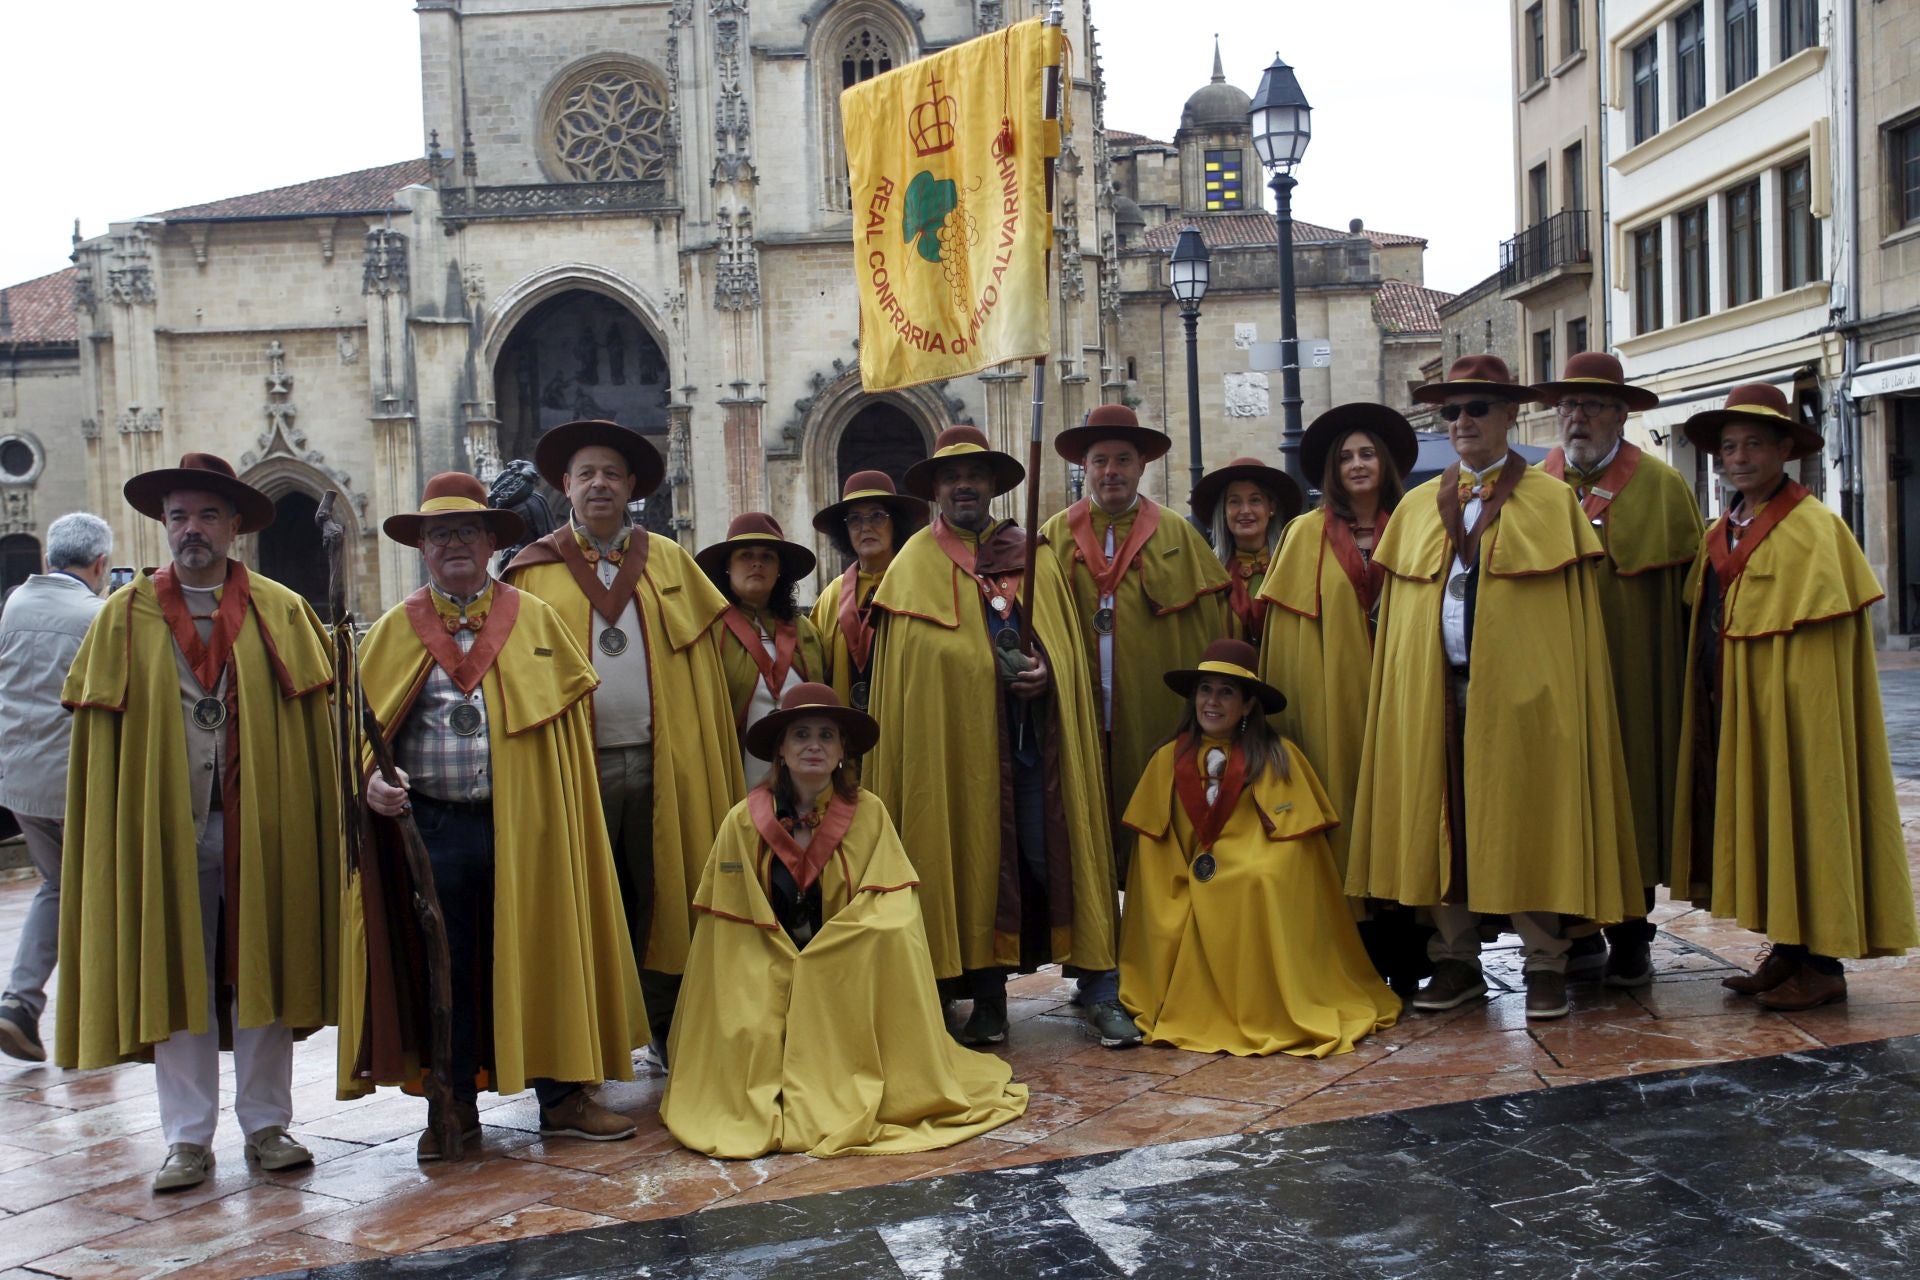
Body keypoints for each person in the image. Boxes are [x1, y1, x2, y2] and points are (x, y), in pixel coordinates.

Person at [345, 472, 647, 1160]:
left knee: (544, 949)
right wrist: (372, 783)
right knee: (443, 966)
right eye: (439, 533)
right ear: (423, 548)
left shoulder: (535, 620)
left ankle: (564, 1096)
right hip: (434, 830)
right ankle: (452, 1106)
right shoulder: (393, 631)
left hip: (528, 824)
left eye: (466, 531)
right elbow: (363, 736)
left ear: (488, 541)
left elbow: (568, 731)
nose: (454, 544)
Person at [58, 454, 338, 1192]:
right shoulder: (124, 616)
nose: (192, 530)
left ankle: (268, 1125)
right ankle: (187, 1141)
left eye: (208, 515)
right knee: (177, 972)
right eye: (179, 515)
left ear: (235, 526)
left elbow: (316, 729)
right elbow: (99, 746)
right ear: (162, 524)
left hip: (261, 824)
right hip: (164, 833)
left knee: (264, 969)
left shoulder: (280, 609)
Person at [1344, 356, 1641, 1021]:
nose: (1463, 421)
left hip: (1524, 698)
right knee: (1441, 822)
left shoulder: (1551, 501)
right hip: (1435, 692)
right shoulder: (1419, 508)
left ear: (1511, 415)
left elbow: (1571, 627)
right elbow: (1398, 619)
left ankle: (1544, 964)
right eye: (1453, 411)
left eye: (1478, 408)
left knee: (1527, 822)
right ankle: (1455, 960)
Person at [661, 683, 1028, 1158]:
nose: (813, 745)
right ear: (780, 749)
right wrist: (773, 951)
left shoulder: (870, 814)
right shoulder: (742, 821)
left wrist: (832, 950)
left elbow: (892, 904)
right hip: (764, 959)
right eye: (800, 735)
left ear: (841, 751)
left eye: (826, 735)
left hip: (844, 963)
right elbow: (727, 915)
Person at [865, 426, 1125, 1046]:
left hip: (1037, 753)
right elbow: (909, 675)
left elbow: (1064, 645)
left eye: (974, 476)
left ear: (991, 486)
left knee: (1054, 857)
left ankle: (1100, 987)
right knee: (973, 864)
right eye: (951, 478)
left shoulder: (1031, 555)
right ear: (936, 491)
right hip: (957, 757)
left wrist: (1048, 674)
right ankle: (987, 997)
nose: (963, 486)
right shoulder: (911, 568)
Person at [502, 420, 744, 1058]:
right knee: (584, 902)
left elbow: (709, 668)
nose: (600, 484)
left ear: (632, 486)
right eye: (587, 473)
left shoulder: (668, 562)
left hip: (666, 765)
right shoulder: (532, 574)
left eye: (612, 473)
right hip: (577, 771)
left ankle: (668, 1023)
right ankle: (586, 1041)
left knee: (667, 889)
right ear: (566, 486)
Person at [1672, 385, 1916, 1010]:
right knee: (1766, 817)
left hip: (1800, 713)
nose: (1739, 456)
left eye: (1755, 443)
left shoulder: (1815, 528)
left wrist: (1798, 707)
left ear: (1785, 448)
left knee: (1808, 811)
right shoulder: (1720, 529)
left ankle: (1823, 963)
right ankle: (1786, 949)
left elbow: (1829, 648)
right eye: (1729, 447)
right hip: (1736, 704)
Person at [1118, 639, 1399, 1056]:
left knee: (1258, 881)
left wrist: (1243, 865)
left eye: (1226, 692)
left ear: (1248, 705)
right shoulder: (1166, 759)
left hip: (1249, 865)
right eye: (1205, 690)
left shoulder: (1279, 756)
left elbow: (1297, 852)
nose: (1212, 702)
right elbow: (1153, 849)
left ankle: (1265, 1004)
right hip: (1183, 871)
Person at [1532, 353, 1704, 987]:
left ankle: (1633, 932)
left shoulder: (1661, 488)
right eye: (1569, 406)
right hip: (1557, 680)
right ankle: (1574, 933)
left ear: (1622, 415)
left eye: (1594, 406)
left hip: (1637, 677)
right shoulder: (1533, 487)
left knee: (1632, 797)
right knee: (1562, 797)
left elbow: (1690, 594)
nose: (1577, 417)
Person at [1259, 404, 1426, 993]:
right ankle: (1358, 949)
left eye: (1368, 453)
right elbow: (1287, 639)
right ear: (1332, 469)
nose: (1358, 464)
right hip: (1337, 705)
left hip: (1411, 699)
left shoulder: (1419, 522)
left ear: (1386, 463)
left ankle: (1419, 947)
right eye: (1347, 456)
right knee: (1347, 814)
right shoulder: (1304, 535)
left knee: (1413, 808)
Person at [1038, 404, 1228, 884]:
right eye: (1100, 461)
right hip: (1076, 711)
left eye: (1122, 460)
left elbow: (1210, 629)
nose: (1111, 472)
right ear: (1085, 467)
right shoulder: (1051, 537)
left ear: (1141, 465)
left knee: (1155, 819)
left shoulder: (1177, 535)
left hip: (1150, 711)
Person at [0, 513, 112, 1062]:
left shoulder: (14, 605)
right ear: (99, 565)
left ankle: (20, 1003)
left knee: (57, 886)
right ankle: (97, 1016)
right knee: (102, 890)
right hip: (75, 780)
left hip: (19, 781)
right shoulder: (100, 614)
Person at [698, 513, 825, 789]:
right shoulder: (707, 631)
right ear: (727, 567)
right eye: (745, 555)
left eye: (768, 556)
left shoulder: (806, 631)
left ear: (779, 570)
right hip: (736, 774)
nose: (757, 563)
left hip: (806, 776)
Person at [809, 471, 927, 713]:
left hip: (907, 718)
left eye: (877, 516)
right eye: (854, 519)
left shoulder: (921, 585)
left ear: (896, 523)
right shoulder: (832, 595)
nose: (866, 527)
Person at [1189, 457, 1302, 644]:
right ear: (1224, 512)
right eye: (1234, 502)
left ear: (1271, 508)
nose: (1245, 510)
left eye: (1255, 500)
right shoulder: (1209, 576)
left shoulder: (1294, 568)